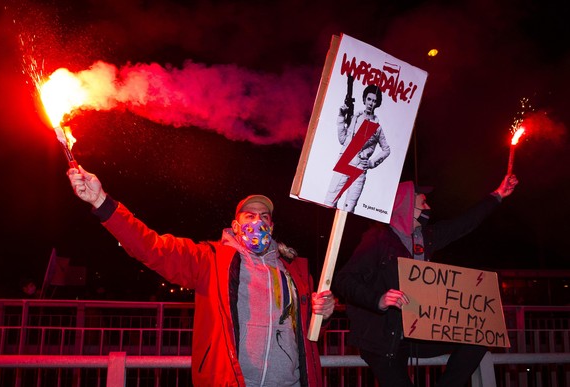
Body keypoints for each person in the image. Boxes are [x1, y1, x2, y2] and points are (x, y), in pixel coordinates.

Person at [67, 165, 335, 387]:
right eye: (249, 216)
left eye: (264, 217)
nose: (258, 222)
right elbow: (152, 248)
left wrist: (322, 314)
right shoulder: (210, 260)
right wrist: (101, 203)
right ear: (235, 225)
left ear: (272, 226)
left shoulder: (294, 272)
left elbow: (307, 333)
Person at [333, 174, 518, 387]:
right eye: (423, 202)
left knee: (480, 338)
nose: (428, 207)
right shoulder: (377, 240)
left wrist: (497, 195)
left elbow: (463, 224)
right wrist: (379, 300)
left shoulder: (427, 237)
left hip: (417, 333)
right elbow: (344, 280)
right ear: (406, 206)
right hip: (383, 340)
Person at [324, 84, 391, 212]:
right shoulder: (355, 118)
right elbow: (343, 140)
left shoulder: (377, 127)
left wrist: (371, 163)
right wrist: (341, 117)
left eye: (374, 101)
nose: (371, 103)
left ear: (378, 104)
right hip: (346, 161)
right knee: (329, 202)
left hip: (360, 167)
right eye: (369, 99)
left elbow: (386, 149)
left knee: (349, 208)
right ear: (365, 99)